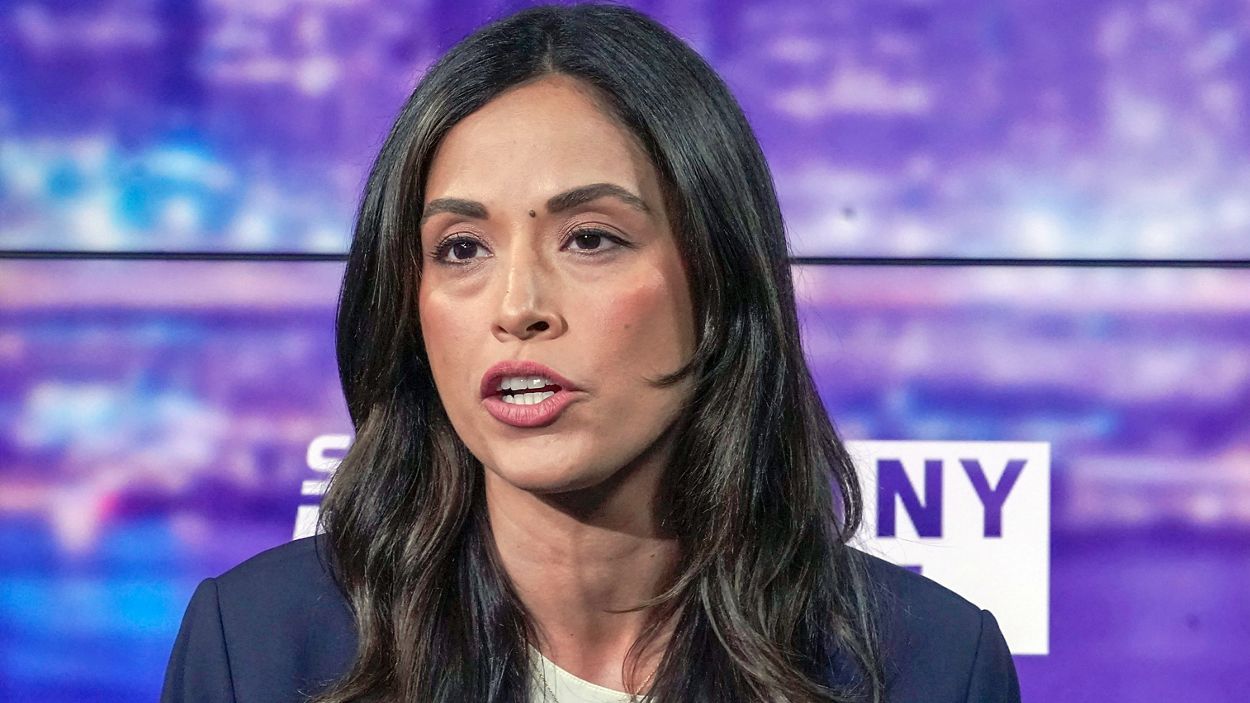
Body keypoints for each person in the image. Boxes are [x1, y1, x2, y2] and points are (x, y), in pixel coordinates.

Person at [162, 4, 1021, 702]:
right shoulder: (259, 648)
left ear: (718, 278)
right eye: (461, 248)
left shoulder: (929, 666)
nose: (518, 307)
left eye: (590, 238)